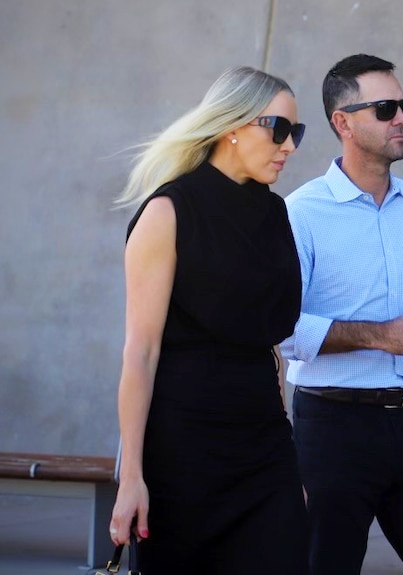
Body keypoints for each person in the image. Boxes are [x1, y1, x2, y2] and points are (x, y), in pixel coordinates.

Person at [281, 53, 403, 575]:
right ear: (342, 123)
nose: (401, 119)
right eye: (386, 108)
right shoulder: (301, 212)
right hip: (332, 427)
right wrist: (379, 336)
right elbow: (280, 329)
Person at [108, 66, 309, 574]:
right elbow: (141, 350)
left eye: (296, 133)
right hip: (183, 451)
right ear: (232, 125)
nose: (289, 146)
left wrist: (284, 443)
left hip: (263, 445)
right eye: (279, 129)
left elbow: (269, 345)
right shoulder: (169, 212)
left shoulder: (276, 214)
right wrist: (131, 474)